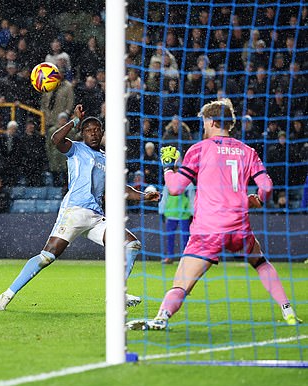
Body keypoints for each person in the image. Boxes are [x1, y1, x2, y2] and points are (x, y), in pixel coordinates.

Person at [127, 99, 301, 331]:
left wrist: (168, 167)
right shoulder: (247, 151)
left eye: (205, 122)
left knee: (182, 283)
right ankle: (288, 310)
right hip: (238, 226)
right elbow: (267, 187)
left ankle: (162, 317)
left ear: (212, 121)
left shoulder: (199, 149)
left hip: (207, 229)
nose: (204, 126)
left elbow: (177, 188)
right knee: (260, 261)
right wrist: (258, 201)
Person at [0, 104, 160, 310]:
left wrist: (145, 196)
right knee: (47, 257)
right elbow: (56, 140)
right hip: (74, 212)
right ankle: (7, 295)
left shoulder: (108, 159)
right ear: (82, 133)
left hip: (96, 217)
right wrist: (74, 121)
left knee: (131, 244)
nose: (94, 133)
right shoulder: (75, 149)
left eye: (97, 130)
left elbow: (119, 188)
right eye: (89, 130)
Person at [158, 177, 194, 264]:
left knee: (186, 238)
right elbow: (164, 197)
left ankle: (186, 257)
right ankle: (169, 257)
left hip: (184, 214)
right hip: (171, 213)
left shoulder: (189, 184)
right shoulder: (169, 182)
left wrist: (193, 213)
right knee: (170, 237)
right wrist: (161, 211)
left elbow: (192, 198)